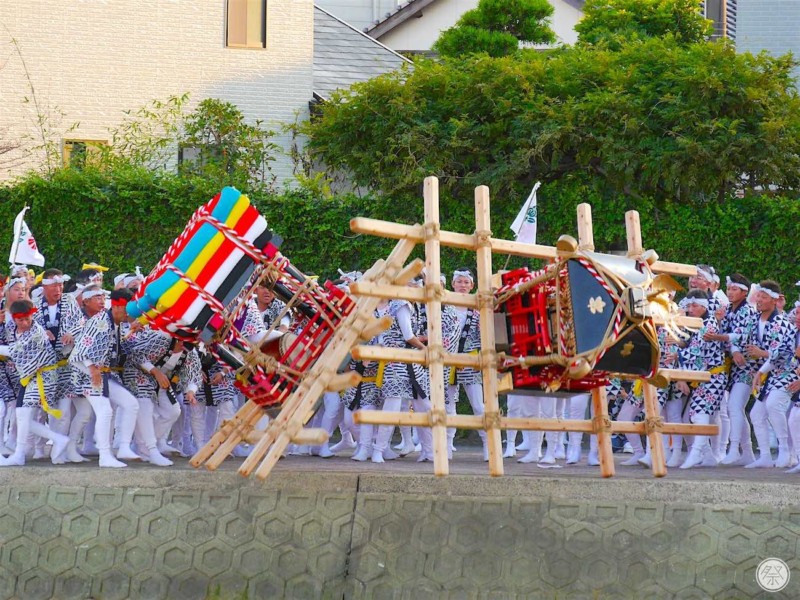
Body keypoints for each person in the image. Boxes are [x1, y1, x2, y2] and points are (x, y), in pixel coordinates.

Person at [69, 288, 139, 468]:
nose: (128, 315)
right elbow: (81, 350)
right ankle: (104, 455)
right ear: (116, 307)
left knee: (131, 404)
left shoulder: (116, 324)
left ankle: (123, 447)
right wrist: (92, 368)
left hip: (104, 373)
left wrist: (131, 330)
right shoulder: (100, 322)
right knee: (105, 411)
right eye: (126, 311)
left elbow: (114, 346)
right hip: (87, 373)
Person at [0, 300, 69, 466]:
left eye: (27, 319)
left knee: (23, 415)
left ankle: (19, 454)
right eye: (20, 320)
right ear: (14, 319)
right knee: (21, 416)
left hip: (44, 377)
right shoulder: (10, 327)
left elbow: (13, 351)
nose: (24, 323)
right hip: (28, 377)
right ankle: (57, 439)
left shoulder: (37, 332)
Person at [704, 274, 758, 465]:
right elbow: (723, 331)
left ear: (744, 292)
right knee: (735, 409)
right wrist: (718, 323)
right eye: (729, 289)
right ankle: (747, 452)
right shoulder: (726, 309)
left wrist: (721, 339)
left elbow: (740, 335)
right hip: (732, 367)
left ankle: (734, 449)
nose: (730, 292)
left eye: (735, 289)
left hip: (748, 366)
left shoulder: (749, 311)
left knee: (735, 406)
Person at [747, 281, 797, 468]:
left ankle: (786, 451)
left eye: (764, 297)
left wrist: (761, 357)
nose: (759, 300)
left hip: (787, 372)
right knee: (756, 414)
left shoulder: (782, 323)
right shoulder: (754, 321)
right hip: (769, 375)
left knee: (774, 405)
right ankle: (766, 456)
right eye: (758, 296)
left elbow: (781, 353)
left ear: (775, 301)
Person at [675, 290, 727, 469]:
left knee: (699, 413)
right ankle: (708, 456)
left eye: (694, 305)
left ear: (704, 306)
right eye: (689, 305)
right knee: (694, 414)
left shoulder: (709, 324)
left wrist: (676, 353)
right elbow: (685, 342)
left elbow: (697, 351)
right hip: (702, 377)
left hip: (713, 376)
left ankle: (696, 453)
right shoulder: (697, 323)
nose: (690, 309)